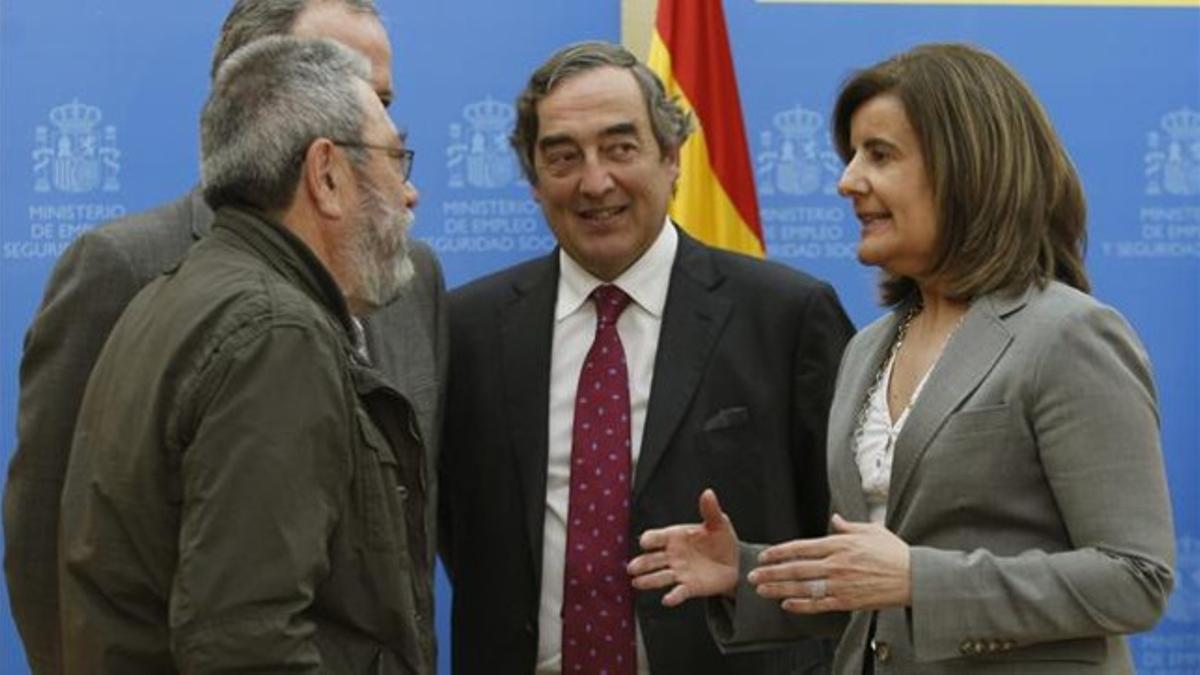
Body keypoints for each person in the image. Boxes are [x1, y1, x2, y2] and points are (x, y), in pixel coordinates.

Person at [628, 43, 1176, 674]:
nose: (847, 181)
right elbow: (874, 590)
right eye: (853, 155)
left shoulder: (1070, 335)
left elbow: (1136, 577)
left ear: (967, 167)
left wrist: (921, 578)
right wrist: (744, 572)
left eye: (880, 155)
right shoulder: (868, 346)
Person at [3, 1, 447, 672]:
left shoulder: (386, 279)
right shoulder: (254, 317)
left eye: (384, 100)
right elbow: (242, 633)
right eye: (385, 143)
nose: (409, 190)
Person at [439, 40, 853, 675]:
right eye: (562, 157)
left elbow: (843, 540)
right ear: (533, 180)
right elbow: (453, 528)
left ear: (671, 157)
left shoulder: (787, 317)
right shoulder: (465, 329)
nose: (595, 181)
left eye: (620, 148)